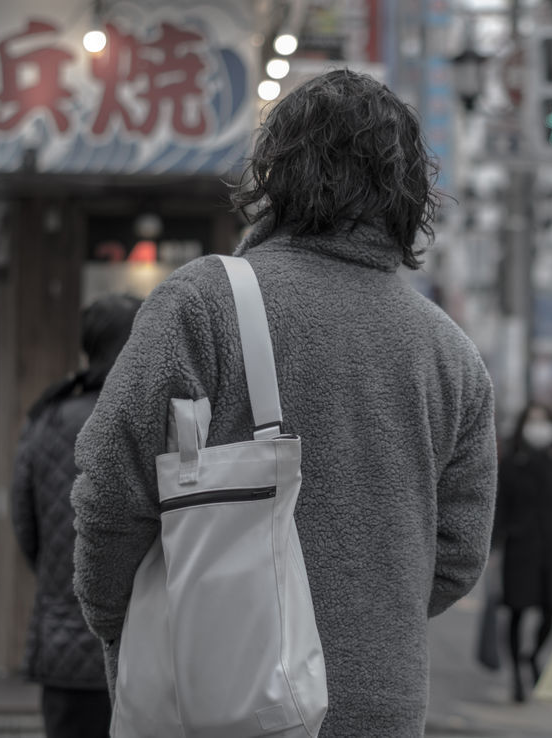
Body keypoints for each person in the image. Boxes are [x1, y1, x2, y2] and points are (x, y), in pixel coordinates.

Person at [71, 70, 498, 738]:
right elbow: (456, 557)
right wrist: (365, 613)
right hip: (381, 705)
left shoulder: (203, 305)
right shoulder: (452, 356)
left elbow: (109, 494)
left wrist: (122, 622)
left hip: (214, 696)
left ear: (275, 176)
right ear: (411, 193)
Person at [10, 294, 141, 738]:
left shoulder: (46, 416)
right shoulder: (149, 416)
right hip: (138, 649)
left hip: (63, 648)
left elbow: (26, 529)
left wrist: (59, 581)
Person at [495, 402, 552, 702]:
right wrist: (497, 544)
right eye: (533, 421)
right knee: (516, 610)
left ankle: (533, 655)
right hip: (519, 546)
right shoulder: (511, 463)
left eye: (544, 420)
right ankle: (515, 673)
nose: (538, 427)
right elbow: (501, 507)